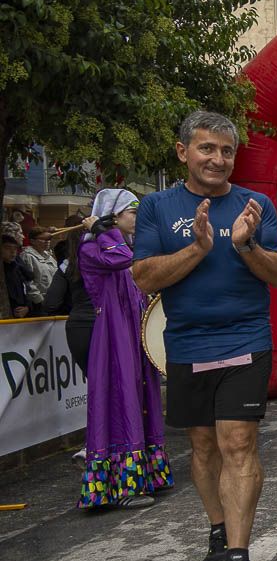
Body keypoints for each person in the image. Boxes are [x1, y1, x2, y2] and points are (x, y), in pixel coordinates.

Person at [133, 110, 277, 561]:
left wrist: (246, 245)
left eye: (226, 151)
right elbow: (144, 277)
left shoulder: (255, 205)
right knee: (203, 448)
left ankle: (239, 559)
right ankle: (219, 529)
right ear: (183, 152)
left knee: (238, 442)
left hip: (245, 341)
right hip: (186, 345)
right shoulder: (157, 207)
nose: (218, 159)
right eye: (207, 148)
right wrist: (198, 248)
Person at [76, 189, 173, 509]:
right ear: (113, 217)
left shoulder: (124, 246)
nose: (137, 219)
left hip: (132, 334)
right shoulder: (93, 248)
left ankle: (146, 476)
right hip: (112, 337)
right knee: (121, 399)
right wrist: (101, 230)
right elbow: (119, 259)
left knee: (142, 397)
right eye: (132, 213)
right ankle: (121, 488)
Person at [43, 224, 97, 467]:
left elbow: (51, 303)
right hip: (104, 325)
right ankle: (98, 442)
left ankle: (94, 442)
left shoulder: (67, 265)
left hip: (78, 328)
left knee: (95, 385)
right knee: (109, 386)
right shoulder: (104, 259)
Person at [20, 226, 58, 314]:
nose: (47, 242)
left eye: (48, 239)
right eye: (43, 239)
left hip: (52, 301)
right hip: (38, 303)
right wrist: (39, 300)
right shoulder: (27, 256)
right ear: (33, 241)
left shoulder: (49, 256)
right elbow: (28, 282)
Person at [2, 236, 32, 317]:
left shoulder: (16, 268)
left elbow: (26, 289)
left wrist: (27, 308)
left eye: (15, 248)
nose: (12, 252)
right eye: (8, 248)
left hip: (22, 314)